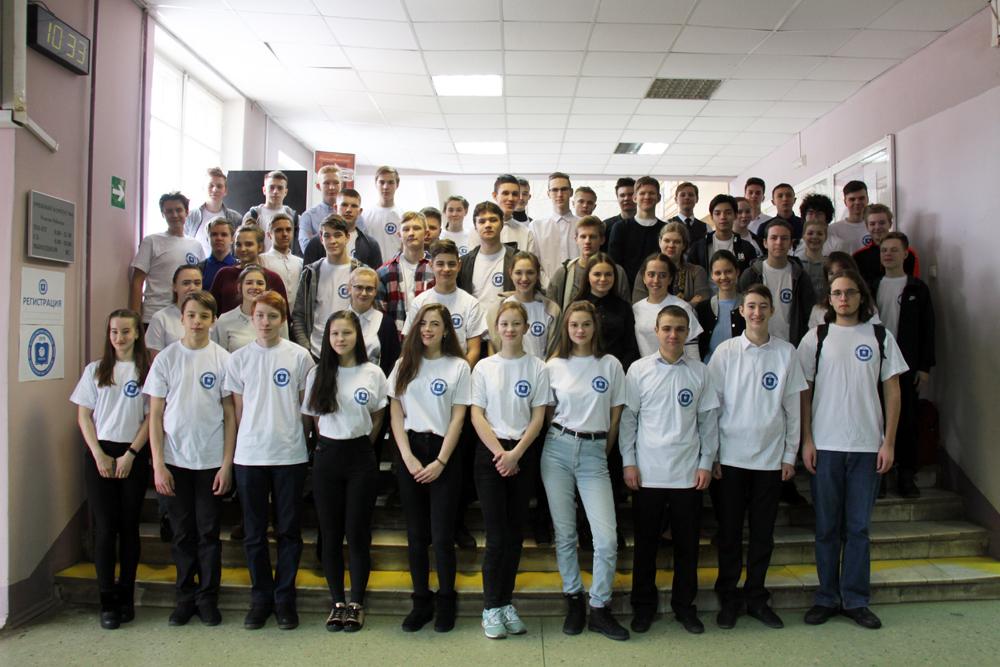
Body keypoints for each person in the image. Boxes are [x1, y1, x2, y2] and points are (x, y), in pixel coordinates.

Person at [798, 269, 907, 630]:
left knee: (858, 528)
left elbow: (893, 390)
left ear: (861, 296)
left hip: (866, 447)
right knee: (827, 528)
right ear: (829, 299)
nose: (843, 299)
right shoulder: (816, 337)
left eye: (849, 292)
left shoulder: (879, 336)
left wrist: (888, 442)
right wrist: (807, 440)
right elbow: (803, 392)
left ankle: (856, 600)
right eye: (837, 293)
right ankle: (827, 598)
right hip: (826, 446)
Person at [708, 285, 807, 630]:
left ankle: (756, 597)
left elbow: (793, 408)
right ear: (741, 311)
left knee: (763, 534)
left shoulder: (786, 353)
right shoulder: (725, 352)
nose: (756, 312)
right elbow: (712, 408)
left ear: (772, 311)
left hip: (769, 459)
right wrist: (712, 455)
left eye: (763, 306)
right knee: (730, 533)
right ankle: (728, 598)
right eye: (750, 306)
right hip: (730, 458)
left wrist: (790, 455)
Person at [621, 305, 719, 636]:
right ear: (656, 331)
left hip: (687, 474)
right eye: (666, 328)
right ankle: (643, 607)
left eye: (679, 329)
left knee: (687, 548)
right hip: (648, 472)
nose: (673, 335)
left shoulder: (700, 372)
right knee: (646, 546)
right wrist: (629, 461)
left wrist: (706, 462)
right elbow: (629, 420)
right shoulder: (638, 370)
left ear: (688, 333)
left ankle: (685, 607)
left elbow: (708, 422)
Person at [145, 291, 235, 627]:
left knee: (209, 533)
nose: (197, 322)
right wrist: (158, 464)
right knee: (182, 534)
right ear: (181, 319)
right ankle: (185, 597)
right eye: (191, 315)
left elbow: (230, 415)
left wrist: (227, 464)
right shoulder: (166, 359)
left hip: (211, 461)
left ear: (213, 320)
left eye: (204, 316)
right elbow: (155, 415)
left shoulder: (223, 359)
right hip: (174, 461)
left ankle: (208, 598)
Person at [225, 291, 314, 631]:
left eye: (272, 316)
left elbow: (306, 410)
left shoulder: (299, 357)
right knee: (254, 533)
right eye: (260, 315)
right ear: (252, 317)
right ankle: (261, 598)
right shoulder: (239, 359)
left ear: (283, 320)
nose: (265, 322)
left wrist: (298, 437)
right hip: (250, 455)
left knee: (289, 531)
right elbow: (237, 411)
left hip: (289, 454)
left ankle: (285, 598)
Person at [542, 301, 629, 641]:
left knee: (606, 538)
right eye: (574, 325)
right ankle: (574, 598)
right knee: (565, 534)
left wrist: (599, 450)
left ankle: (600, 606)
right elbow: (548, 413)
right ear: (566, 328)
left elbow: (616, 416)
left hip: (595, 452)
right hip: (557, 450)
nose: (580, 330)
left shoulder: (610, 365)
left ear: (595, 327)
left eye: (586, 324)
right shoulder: (553, 366)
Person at [302, 310, 388, 633]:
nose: (340, 339)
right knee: (331, 533)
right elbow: (314, 418)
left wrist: (362, 444)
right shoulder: (318, 373)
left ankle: (356, 603)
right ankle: (337, 602)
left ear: (357, 337)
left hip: (360, 459)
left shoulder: (372, 373)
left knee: (357, 532)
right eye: (335, 333)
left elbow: (378, 415)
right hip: (327, 457)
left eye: (347, 333)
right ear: (328, 338)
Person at [388, 303, 471, 633]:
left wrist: (440, 462)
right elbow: (396, 412)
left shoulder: (458, 367)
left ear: (446, 330)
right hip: (410, 449)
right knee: (416, 534)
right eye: (423, 323)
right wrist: (407, 457)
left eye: (435, 324)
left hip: (443, 452)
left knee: (442, 534)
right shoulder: (404, 364)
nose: (427, 329)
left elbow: (459, 418)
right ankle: (421, 601)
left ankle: (446, 600)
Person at [471, 302, 550, 639]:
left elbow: (538, 416)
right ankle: (490, 607)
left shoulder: (537, 367)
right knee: (497, 536)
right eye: (504, 323)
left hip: (523, 454)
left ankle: (506, 603)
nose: (510, 329)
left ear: (526, 327)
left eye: (517, 323)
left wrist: (516, 454)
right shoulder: (484, 367)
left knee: (516, 534)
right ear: (496, 328)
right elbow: (477, 414)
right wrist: (500, 454)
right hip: (491, 455)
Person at [70, 309, 152, 629]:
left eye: (126, 331)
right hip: (100, 454)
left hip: (133, 453)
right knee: (105, 528)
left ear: (137, 333)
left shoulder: (146, 371)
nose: (119, 337)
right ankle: (107, 600)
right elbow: (84, 416)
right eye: (114, 332)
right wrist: (99, 455)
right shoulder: (95, 370)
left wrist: (131, 454)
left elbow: (151, 417)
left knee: (128, 527)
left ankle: (125, 595)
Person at [873, 232, 935, 498]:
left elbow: (928, 328)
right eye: (884, 250)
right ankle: (879, 476)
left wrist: (924, 367)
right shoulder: (871, 286)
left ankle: (906, 475)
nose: (888, 254)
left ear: (905, 253)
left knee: (906, 421)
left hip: (907, 367)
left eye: (894, 250)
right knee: (877, 419)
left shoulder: (917, 288)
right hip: (875, 365)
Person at [404, 239, 486, 368]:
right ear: (431, 265)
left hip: (458, 372)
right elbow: (409, 345)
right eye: (440, 264)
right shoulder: (419, 303)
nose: (446, 269)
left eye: (451, 264)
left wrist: (459, 374)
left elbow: (474, 350)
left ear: (459, 265)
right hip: (424, 371)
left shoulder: (471, 304)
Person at [292, 215, 363, 359]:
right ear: (321, 238)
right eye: (327, 235)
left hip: (352, 353)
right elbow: (299, 315)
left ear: (347, 237)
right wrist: (306, 348)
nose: (332, 241)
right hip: (316, 353)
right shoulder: (310, 273)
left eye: (337, 235)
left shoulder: (361, 272)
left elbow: (370, 315)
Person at [130, 192, 204, 324]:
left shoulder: (196, 245)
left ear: (187, 212)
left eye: (179, 210)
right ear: (163, 214)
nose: (174, 215)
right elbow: (137, 280)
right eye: (169, 211)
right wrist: (135, 319)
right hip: (153, 314)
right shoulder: (151, 241)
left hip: (186, 316)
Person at [738, 218, 816, 345]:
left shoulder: (800, 276)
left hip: (790, 345)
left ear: (791, 243)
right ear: (765, 243)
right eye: (774, 238)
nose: (779, 242)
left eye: (784, 238)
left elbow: (807, 314)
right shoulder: (751, 274)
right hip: (756, 345)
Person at [487, 252, 561, 359]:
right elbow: (492, 346)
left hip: (541, 368)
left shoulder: (551, 310)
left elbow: (556, 350)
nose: (524, 278)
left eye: (530, 272)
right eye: (518, 273)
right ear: (510, 273)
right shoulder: (497, 309)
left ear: (538, 275)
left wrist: (544, 368)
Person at [546, 216, 629, 310]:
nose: (587, 241)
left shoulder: (617, 272)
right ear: (576, 239)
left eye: (592, 237)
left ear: (602, 240)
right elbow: (550, 312)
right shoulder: (564, 273)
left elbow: (626, 310)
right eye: (583, 236)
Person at [376, 211, 435, 339]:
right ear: (399, 234)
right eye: (406, 229)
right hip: (395, 340)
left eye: (417, 228)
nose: (411, 233)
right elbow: (379, 315)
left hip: (430, 339)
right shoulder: (384, 272)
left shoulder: (436, 268)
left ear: (426, 234)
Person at [576, 253, 639, 371]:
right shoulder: (576, 307)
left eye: (608, 274)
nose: (603, 279)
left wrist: (618, 371)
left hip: (616, 371)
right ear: (588, 277)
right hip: (582, 370)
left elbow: (631, 347)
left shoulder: (624, 307)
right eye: (597, 274)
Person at [632, 254, 701, 361]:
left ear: (670, 279)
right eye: (651, 274)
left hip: (678, 368)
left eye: (662, 275)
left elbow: (692, 350)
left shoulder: (682, 307)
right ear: (644, 278)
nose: (656, 280)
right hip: (646, 369)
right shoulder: (636, 309)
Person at [209, 224, 288, 315]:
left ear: (260, 247)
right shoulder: (224, 274)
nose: (243, 249)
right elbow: (210, 309)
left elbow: (284, 315)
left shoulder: (273, 278)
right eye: (238, 244)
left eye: (249, 244)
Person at [456, 201, 517, 316]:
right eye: (482, 221)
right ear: (475, 226)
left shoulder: (518, 259)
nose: (488, 225)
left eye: (493, 220)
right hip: (474, 325)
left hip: (508, 323)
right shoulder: (464, 263)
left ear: (502, 224)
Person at [213, 265, 290, 352]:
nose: (255, 287)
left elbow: (285, 351)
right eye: (249, 283)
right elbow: (219, 356)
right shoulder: (224, 320)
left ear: (266, 288)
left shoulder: (277, 318)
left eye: (260, 283)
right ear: (239, 287)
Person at [608, 176, 665, 290]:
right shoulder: (620, 228)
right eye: (642, 193)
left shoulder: (665, 229)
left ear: (658, 197)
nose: (647, 197)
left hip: (658, 289)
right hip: (626, 290)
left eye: (651, 193)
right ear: (634, 197)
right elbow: (614, 264)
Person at [303, 188, 383, 269]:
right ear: (335, 207)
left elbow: (376, 276)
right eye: (344, 205)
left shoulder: (371, 245)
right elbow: (308, 274)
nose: (348, 210)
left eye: (354, 206)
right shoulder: (316, 243)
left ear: (360, 211)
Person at [633, 222, 711, 305]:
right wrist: (689, 304)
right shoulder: (646, 271)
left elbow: (702, 303)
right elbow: (639, 305)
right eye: (667, 241)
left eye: (677, 242)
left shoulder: (696, 272)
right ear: (660, 242)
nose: (671, 245)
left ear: (684, 245)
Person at [853, 204, 920, 292]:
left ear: (890, 224)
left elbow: (914, 286)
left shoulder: (907, 254)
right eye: (872, 224)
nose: (877, 227)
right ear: (867, 226)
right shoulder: (858, 257)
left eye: (882, 223)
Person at [687, 194, 758, 275]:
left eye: (728, 213)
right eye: (717, 213)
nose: (723, 217)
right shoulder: (698, 248)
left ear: (735, 215)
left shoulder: (747, 248)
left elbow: (752, 276)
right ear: (711, 217)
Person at [349, 266, 401, 377]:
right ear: (349, 288)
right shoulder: (336, 321)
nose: (364, 293)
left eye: (369, 288)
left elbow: (393, 363)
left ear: (376, 291)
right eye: (359, 287)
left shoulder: (387, 324)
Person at [695, 250, 744, 363]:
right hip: (709, 369)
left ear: (737, 272)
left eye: (728, 271)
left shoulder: (749, 306)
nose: (723, 277)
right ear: (712, 276)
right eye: (718, 273)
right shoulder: (703, 309)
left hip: (741, 369)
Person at [530, 172, 579, 280]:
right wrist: (550, 286)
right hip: (546, 287)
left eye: (564, 189)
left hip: (579, 286)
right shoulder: (536, 227)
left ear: (571, 192)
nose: (559, 194)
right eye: (555, 190)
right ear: (548, 194)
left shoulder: (582, 225)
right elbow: (534, 262)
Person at [185, 167, 244, 257]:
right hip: (197, 265)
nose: (215, 189)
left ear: (225, 191)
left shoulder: (236, 218)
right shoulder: (190, 216)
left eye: (219, 186)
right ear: (204, 188)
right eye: (211, 186)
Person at [146, 265, 204, 355]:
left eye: (197, 283)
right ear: (175, 287)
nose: (192, 288)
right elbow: (155, 359)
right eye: (186, 283)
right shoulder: (160, 318)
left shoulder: (209, 318)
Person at [242, 170, 301, 255]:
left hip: (285, 262)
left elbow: (298, 248)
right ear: (264, 190)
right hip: (259, 262)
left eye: (280, 188)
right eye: (271, 187)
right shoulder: (252, 216)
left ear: (285, 192)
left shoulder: (294, 218)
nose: (275, 191)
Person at [259, 213, 304, 310]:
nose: (285, 234)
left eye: (288, 230)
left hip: (296, 316)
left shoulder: (300, 262)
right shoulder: (261, 260)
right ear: (269, 235)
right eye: (279, 230)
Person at [358, 165, 402, 262]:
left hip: (396, 268)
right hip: (371, 268)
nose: (386, 187)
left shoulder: (403, 216)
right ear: (376, 184)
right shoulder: (364, 215)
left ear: (397, 185)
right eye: (382, 182)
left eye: (390, 182)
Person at [298, 164, 342, 251]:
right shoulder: (308, 216)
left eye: (336, 183)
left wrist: (317, 237)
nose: (331, 187)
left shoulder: (354, 216)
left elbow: (361, 246)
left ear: (341, 185)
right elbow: (307, 249)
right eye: (326, 183)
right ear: (318, 186)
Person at [493, 174, 537, 254]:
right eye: (505, 193)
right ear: (495, 196)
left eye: (514, 194)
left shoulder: (528, 231)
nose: (510, 198)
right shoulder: (482, 229)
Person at [827, 180, 870, 253]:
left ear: (867, 199)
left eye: (861, 198)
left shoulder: (875, 227)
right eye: (852, 199)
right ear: (845, 202)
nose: (857, 202)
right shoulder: (833, 230)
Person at [794, 217, 831, 300]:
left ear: (825, 237)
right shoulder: (796, 264)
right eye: (810, 233)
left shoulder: (830, 265)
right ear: (803, 236)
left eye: (819, 234)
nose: (815, 237)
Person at [195, 218, 237, 290]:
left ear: (232, 239)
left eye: (224, 235)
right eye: (214, 234)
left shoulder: (240, 267)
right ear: (207, 239)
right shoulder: (198, 269)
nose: (219, 238)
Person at [601, 177, 636, 252]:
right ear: (617, 198)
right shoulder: (606, 226)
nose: (626, 198)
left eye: (630, 194)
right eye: (622, 195)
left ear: (637, 197)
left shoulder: (645, 225)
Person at [668, 181, 707, 246]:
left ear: (697, 199)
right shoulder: (667, 225)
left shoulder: (706, 228)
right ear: (676, 199)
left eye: (691, 195)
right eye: (682, 195)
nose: (687, 198)